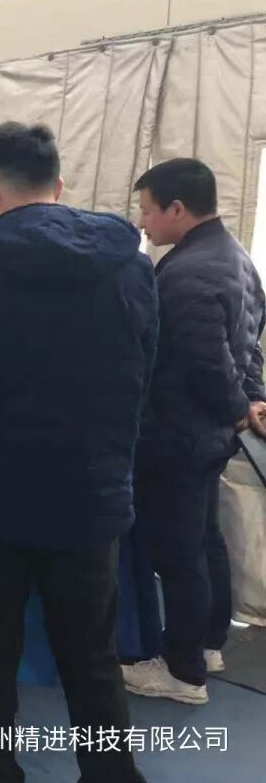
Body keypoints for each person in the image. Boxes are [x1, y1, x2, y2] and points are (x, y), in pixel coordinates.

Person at [0, 122, 155, 783]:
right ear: (58, 185)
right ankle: (111, 777)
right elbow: (143, 375)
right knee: (91, 656)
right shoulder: (132, 267)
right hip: (91, 494)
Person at [121, 158, 266, 705]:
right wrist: (251, 398)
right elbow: (249, 341)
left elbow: (207, 362)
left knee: (179, 554)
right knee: (205, 541)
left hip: (179, 434)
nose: (143, 222)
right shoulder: (234, 257)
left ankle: (182, 673)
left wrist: (238, 406)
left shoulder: (188, 273)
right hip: (207, 436)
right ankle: (206, 644)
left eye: (147, 210)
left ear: (177, 208)